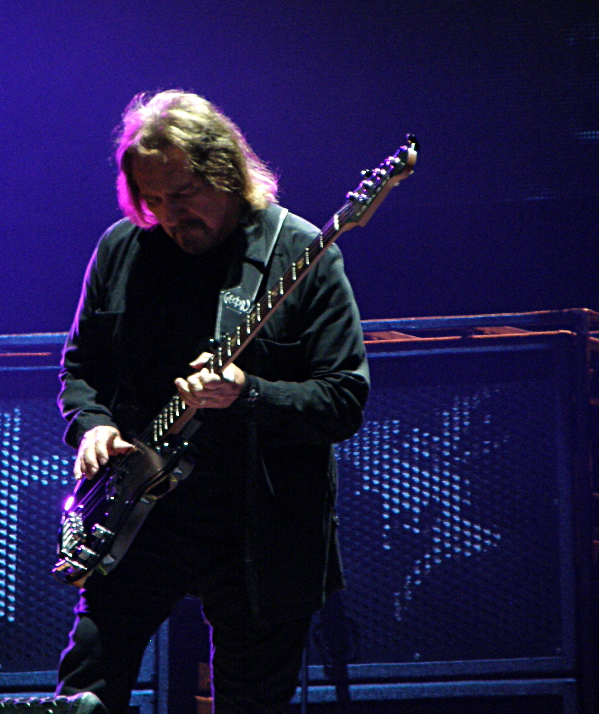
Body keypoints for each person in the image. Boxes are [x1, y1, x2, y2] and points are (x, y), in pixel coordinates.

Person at [55, 90, 369, 714]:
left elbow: (343, 398)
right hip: (139, 515)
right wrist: (92, 425)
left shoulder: (298, 252)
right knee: (86, 687)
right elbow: (81, 369)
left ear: (225, 172)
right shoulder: (123, 248)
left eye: (183, 194)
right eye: (153, 200)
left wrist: (247, 394)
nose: (170, 216)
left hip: (258, 529)